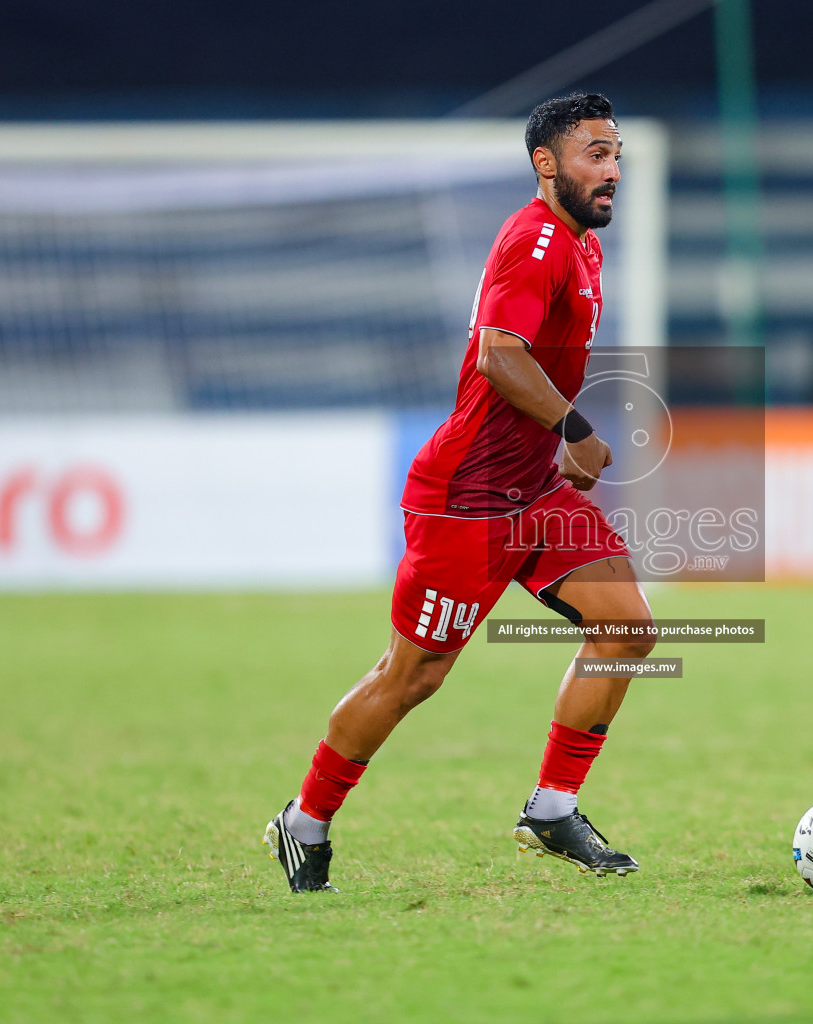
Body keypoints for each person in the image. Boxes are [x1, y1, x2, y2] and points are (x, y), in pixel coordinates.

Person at [262, 93, 655, 892]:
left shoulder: (583, 246)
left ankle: (551, 809)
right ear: (546, 164)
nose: (611, 170)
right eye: (594, 155)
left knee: (628, 628)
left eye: (615, 154)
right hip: (466, 499)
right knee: (413, 676)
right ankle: (303, 823)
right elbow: (498, 358)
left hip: (530, 491)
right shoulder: (534, 239)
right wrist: (576, 428)